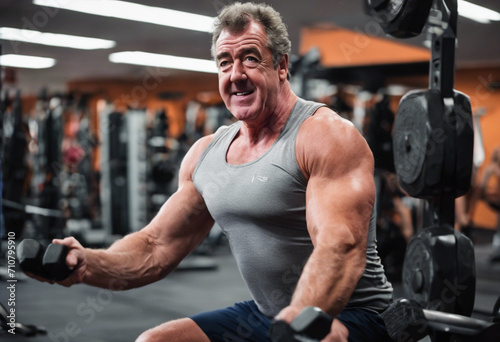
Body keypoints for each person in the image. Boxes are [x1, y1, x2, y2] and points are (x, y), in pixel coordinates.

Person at [29, 3, 393, 341]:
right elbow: (155, 248)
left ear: (281, 66)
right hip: (271, 315)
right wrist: (85, 263)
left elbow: (339, 246)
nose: (236, 75)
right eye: (224, 62)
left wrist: (300, 316)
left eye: (250, 59)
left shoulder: (325, 136)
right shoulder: (207, 154)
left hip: (353, 314)